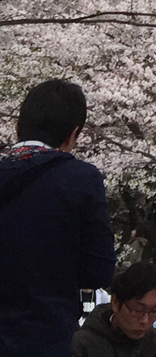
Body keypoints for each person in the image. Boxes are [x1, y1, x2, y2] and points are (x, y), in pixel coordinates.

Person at [0, 79, 118, 357]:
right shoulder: (80, 179)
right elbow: (99, 270)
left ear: (20, 126)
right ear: (73, 133)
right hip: (44, 333)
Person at [72, 261, 156, 357]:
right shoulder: (83, 344)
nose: (144, 320)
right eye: (138, 310)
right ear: (115, 302)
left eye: (154, 311)